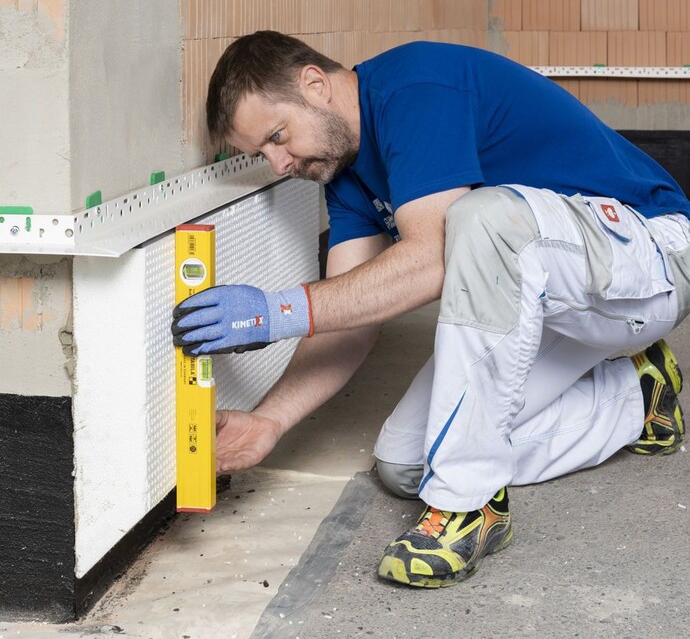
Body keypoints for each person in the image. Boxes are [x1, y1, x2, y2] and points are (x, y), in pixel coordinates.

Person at [171, 31, 689, 589]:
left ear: (315, 85)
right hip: (555, 299)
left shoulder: (416, 87)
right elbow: (352, 312)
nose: (278, 163)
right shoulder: (343, 171)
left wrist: (273, 312)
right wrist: (270, 420)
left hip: (651, 258)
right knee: (404, 464)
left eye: (277, 136)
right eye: (262, 153)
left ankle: (467, 507)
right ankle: (636, 396)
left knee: (481, 218)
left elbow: (429, 261)